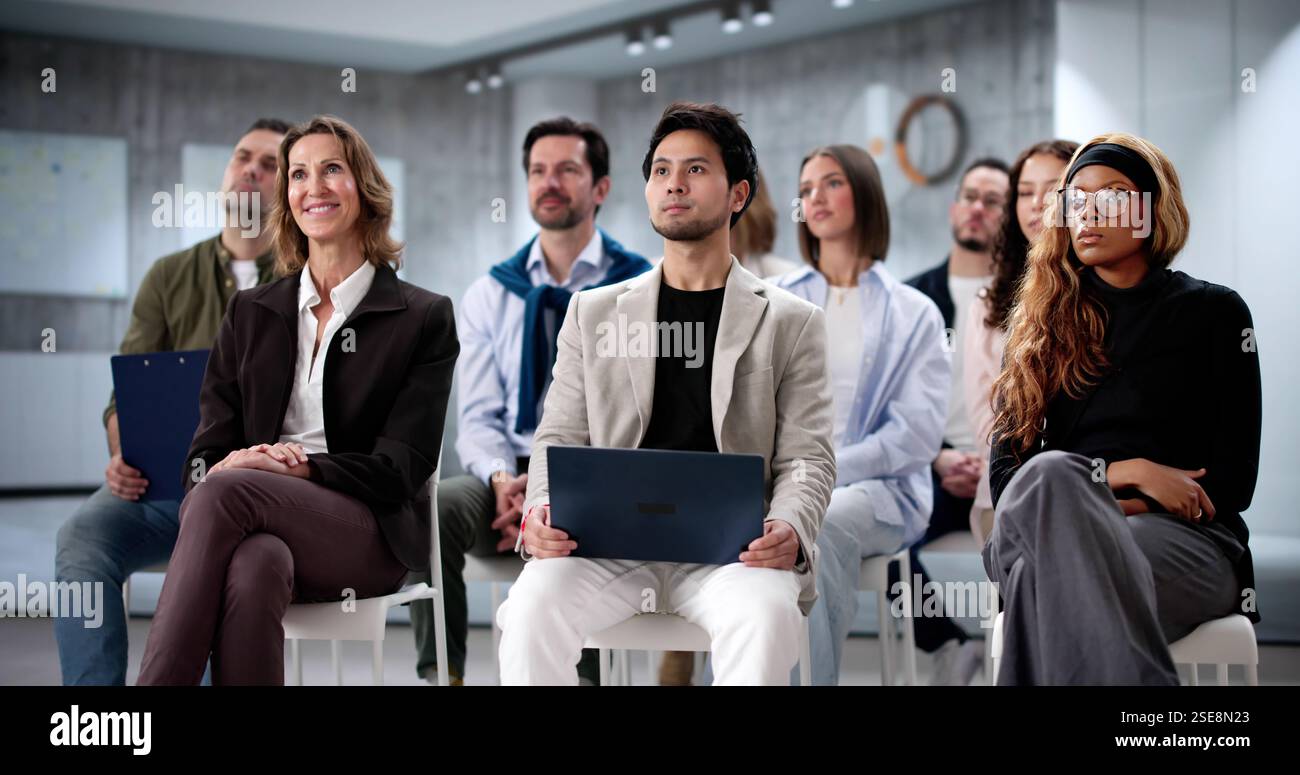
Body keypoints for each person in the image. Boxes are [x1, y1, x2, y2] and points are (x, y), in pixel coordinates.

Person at [496, 101, 835, 685]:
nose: (674, 183)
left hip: (736, 552)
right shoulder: (594, 311)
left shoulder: (792, 321)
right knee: (527, 612)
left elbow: (808, 455)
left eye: (696, 169)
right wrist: (539, 511)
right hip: (604, 545)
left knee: (766, 617)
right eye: (660, 170)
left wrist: (790, 526)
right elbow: (558, 436)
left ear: (738, 194)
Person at [136, 115, 459, 685]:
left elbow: (401, 469)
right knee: (256, 564)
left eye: (332, 169)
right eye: (300, 174)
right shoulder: (251, 312)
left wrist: (298, 466)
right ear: (287, 199)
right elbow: (203, 457)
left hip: (368, 534)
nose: (314, 187)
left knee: (226, 491)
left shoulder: (423, 316)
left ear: (366, 189)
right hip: (255, 517)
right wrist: (231, 465)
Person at [985, 132, 1261, 685]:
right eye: (1077, 199)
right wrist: (1128, 478)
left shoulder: (1216, 313)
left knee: (1045, 573)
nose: (1088, 212)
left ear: (1153, 210)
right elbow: (1009, 485)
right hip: (1051, 524)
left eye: (1111, 196)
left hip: (1189, 546)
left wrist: (1090, 510)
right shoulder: (1040, 327)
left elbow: (1231, 487)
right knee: (1050, 475)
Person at [408, 117, 649, 685]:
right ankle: (444, 675)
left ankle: (580, 679)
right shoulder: (492, 292)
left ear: (601, 188)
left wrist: (552, 487)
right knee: (432, 509)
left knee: (576, 516)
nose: (550, 182)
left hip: (592, 471)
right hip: (502, 474)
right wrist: (501, 482)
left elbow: (637, 414)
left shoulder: (640, 286)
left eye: (568, 169)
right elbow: (477, 417)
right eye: (539, 171)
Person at [54, 118, 290, 685]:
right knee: (81, 538)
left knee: (227, 557)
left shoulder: (301, 279)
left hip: (254, 499)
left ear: (288, 190)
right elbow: (125, 393)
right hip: (163, 490)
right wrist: (122, 452)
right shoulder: (168, 276)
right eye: (242, 158)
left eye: (270, 164)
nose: (251, 171)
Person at [776, 144, 948, 685]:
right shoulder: (774, 300)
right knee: (762, 537)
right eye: (805, 190)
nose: (815, 198)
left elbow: (916, 436)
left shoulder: (914, 310)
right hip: (780, 484)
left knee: (819, 522)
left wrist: (823, 475)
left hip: (882, 492)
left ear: (864, 193)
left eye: (831, 183)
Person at [902, 156, 1009, 684]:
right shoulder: (912, 297)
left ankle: (1024, 660)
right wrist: (939, 456)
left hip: (1009, 470)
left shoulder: (1031, 296)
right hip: (937, 467)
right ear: (953, 207)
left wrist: (994, 462)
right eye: (970, 196)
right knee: (888, 532)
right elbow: (897, 402)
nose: (977, 209)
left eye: (993, 201)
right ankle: (946, 644)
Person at [963, 140, 1077, 543]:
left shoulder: (1106, 293)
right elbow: (984, 415)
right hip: (1009, 483)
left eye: (1052, 190)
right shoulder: (988, 304)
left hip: (1096, 486)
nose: (1036, 203)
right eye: (1025, 193)